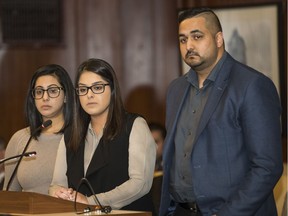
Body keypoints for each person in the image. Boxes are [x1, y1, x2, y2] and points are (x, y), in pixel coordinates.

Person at [159, 8, 283, 216]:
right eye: (182, 40)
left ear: (218, 39)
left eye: (197, 37)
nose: (189, 46)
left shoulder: (252, 85)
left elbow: (267, 167)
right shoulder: (175, 89)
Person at [49, 58, 157, 213]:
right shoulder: (71, 133)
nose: (89, 95)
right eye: (83, 89)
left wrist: (91, 201)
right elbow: (56, 183)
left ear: (112, 89)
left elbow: (140, 184)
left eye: (97, 87)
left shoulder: (134, 125)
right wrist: (57, 192)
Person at [3, 64, 75, 195]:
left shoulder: (79, 136)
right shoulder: (20, 138)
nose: (45, 97)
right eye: (39, 91)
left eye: (53, 91)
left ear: (66, 96)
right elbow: (10, 196)